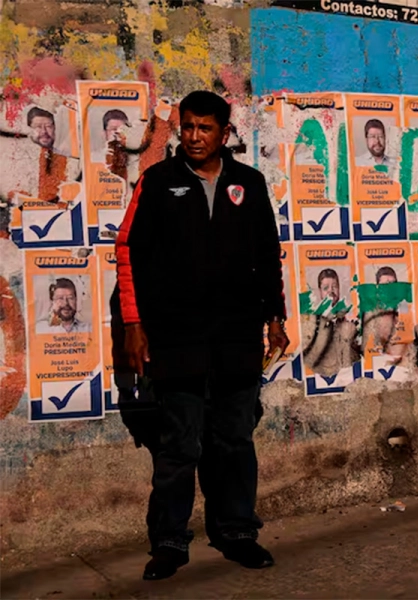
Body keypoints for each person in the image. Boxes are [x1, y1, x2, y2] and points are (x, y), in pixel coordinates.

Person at [116, 90, 288, 580]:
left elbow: (267, 255)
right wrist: (133, 325)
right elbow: (127, 251)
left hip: (236, 335)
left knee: (235, 439)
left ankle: (237, 532)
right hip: (175, 336)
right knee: (180, 445)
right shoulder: (157, 181)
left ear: (224, 134)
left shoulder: (249, 184)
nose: (193, 136)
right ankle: (169, 542)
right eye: (187, 127)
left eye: (204, 128)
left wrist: (274, 318)